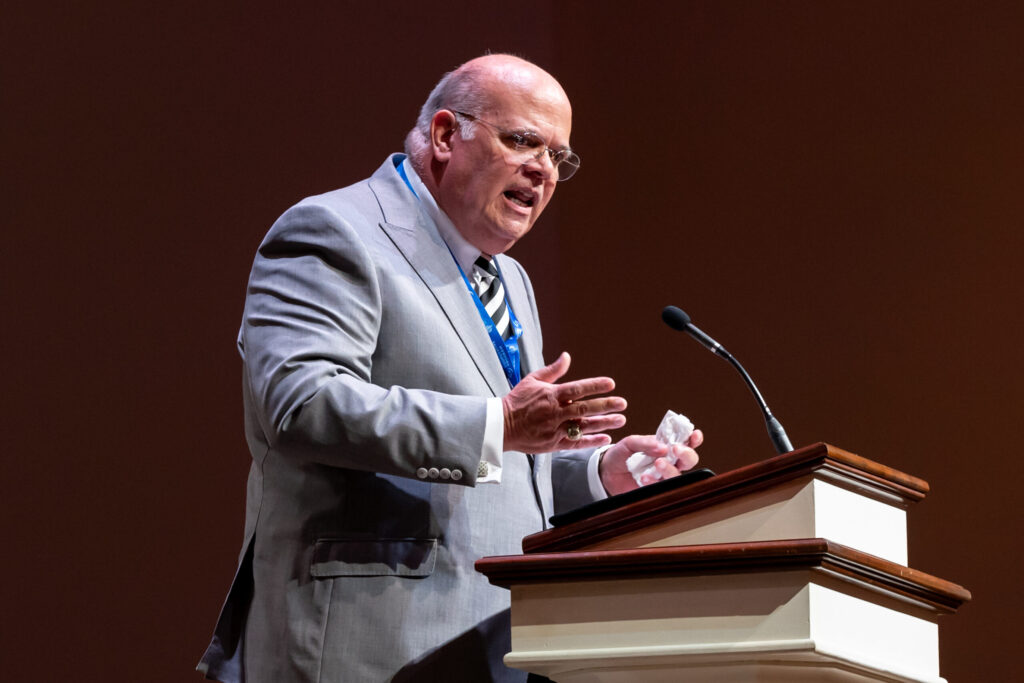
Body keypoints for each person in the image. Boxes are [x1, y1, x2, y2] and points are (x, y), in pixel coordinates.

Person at [197, 54, 702, 683]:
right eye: (524, 141)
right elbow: (302, 405)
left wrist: (600, 474)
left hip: (491, 646)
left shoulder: (509, 279)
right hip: (364, 639)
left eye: (558, 158)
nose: (543, 170)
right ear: (445, 135)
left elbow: (498, 466)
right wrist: (499, 425)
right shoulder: (334, 233)